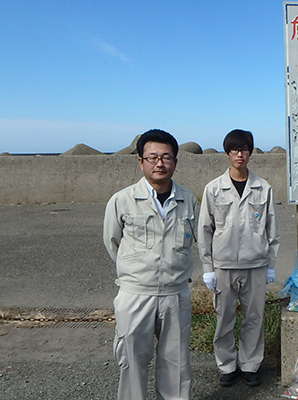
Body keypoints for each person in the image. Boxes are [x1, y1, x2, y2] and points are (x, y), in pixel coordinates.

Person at [103, 129, 196, 400]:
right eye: (152, 156)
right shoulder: (122, 200)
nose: (160, 163)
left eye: (166, 157)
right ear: (140, 161)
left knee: (176, 364)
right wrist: (136, 271)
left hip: (175, 294)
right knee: (132, 361)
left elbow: (188, 243)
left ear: (175, 162)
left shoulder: (188, 199)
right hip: (135, 294)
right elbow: (113, 242)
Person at [197, 129, 280, 388]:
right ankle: (226, 365)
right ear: (227, 153)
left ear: (250, 152)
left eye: (244, 149)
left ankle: (250, 364)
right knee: (224, 317)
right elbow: (204, 230)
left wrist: (270, 264)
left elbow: (272, 230)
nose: (239, 154)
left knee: (254, 317)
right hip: (223, 265)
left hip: (256, 264)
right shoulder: (213, 189)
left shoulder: (263, 188)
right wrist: (207, 267)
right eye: (234, 150)